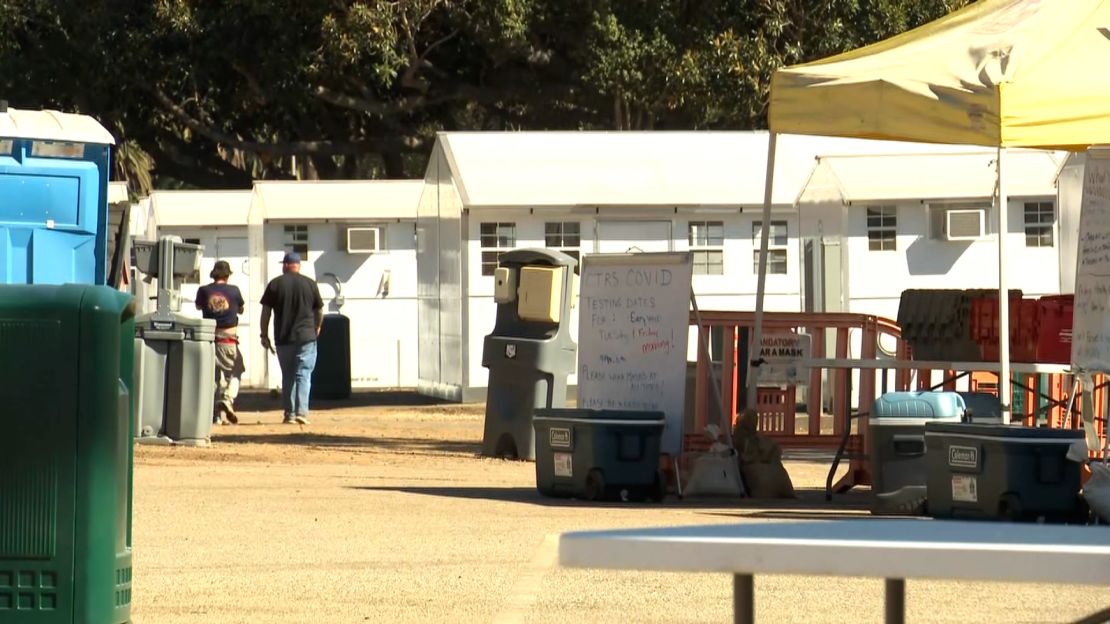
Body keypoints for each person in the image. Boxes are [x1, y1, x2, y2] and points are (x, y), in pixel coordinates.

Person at [260, 251, 323, 425]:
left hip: (284, 337)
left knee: (288, 375)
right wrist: (317, 326)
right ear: (298, 266)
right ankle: (302, 412)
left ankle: (290, 414)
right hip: (306, 337)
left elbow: (266, 312)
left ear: (286, 265)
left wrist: (263, 334)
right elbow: (319, 309)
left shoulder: (275, 284)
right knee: (303, 374)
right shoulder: (310, 284)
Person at [196, 260, 246, 425]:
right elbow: (241, 309)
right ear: (227, 275)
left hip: (208, 339)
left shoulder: (203, 290)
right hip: (228, 339)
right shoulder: (234, 291)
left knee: (212, 379)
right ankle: (227, 398)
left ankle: (213, 415)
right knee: (237, 369)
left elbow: (198, 306)